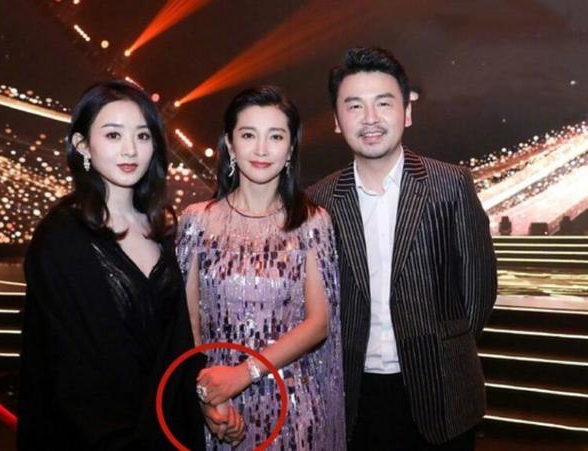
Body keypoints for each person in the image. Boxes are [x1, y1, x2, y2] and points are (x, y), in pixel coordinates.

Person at [17, 80, 243, 450]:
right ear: (82, 145)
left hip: (169, 431)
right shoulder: (61, 237)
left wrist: (202, 400)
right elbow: (68, 371)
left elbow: (177, 341)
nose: (130, 149)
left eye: (142, 135)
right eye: (113, 134)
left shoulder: (160, 230)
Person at [308, 47, 498, 450]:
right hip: (351, 396)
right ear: (337, 121)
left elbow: (478, 292)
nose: (370, 118)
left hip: (442, 394)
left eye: (383, 103)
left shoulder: (450, 186)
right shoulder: (319, 201)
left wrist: (441, 350)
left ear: (407, 112)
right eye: (354, 106)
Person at [176, 85, 346, 450]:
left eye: (276, 136)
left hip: (293, 406)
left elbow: (318, 323)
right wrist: (208, 396)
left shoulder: (313, 221)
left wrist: (244, 373)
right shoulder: (197, 221)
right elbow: (188, 324)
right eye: (249, 135)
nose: (262, 149)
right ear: (230, 143)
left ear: (291, 148)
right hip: (219, 401)